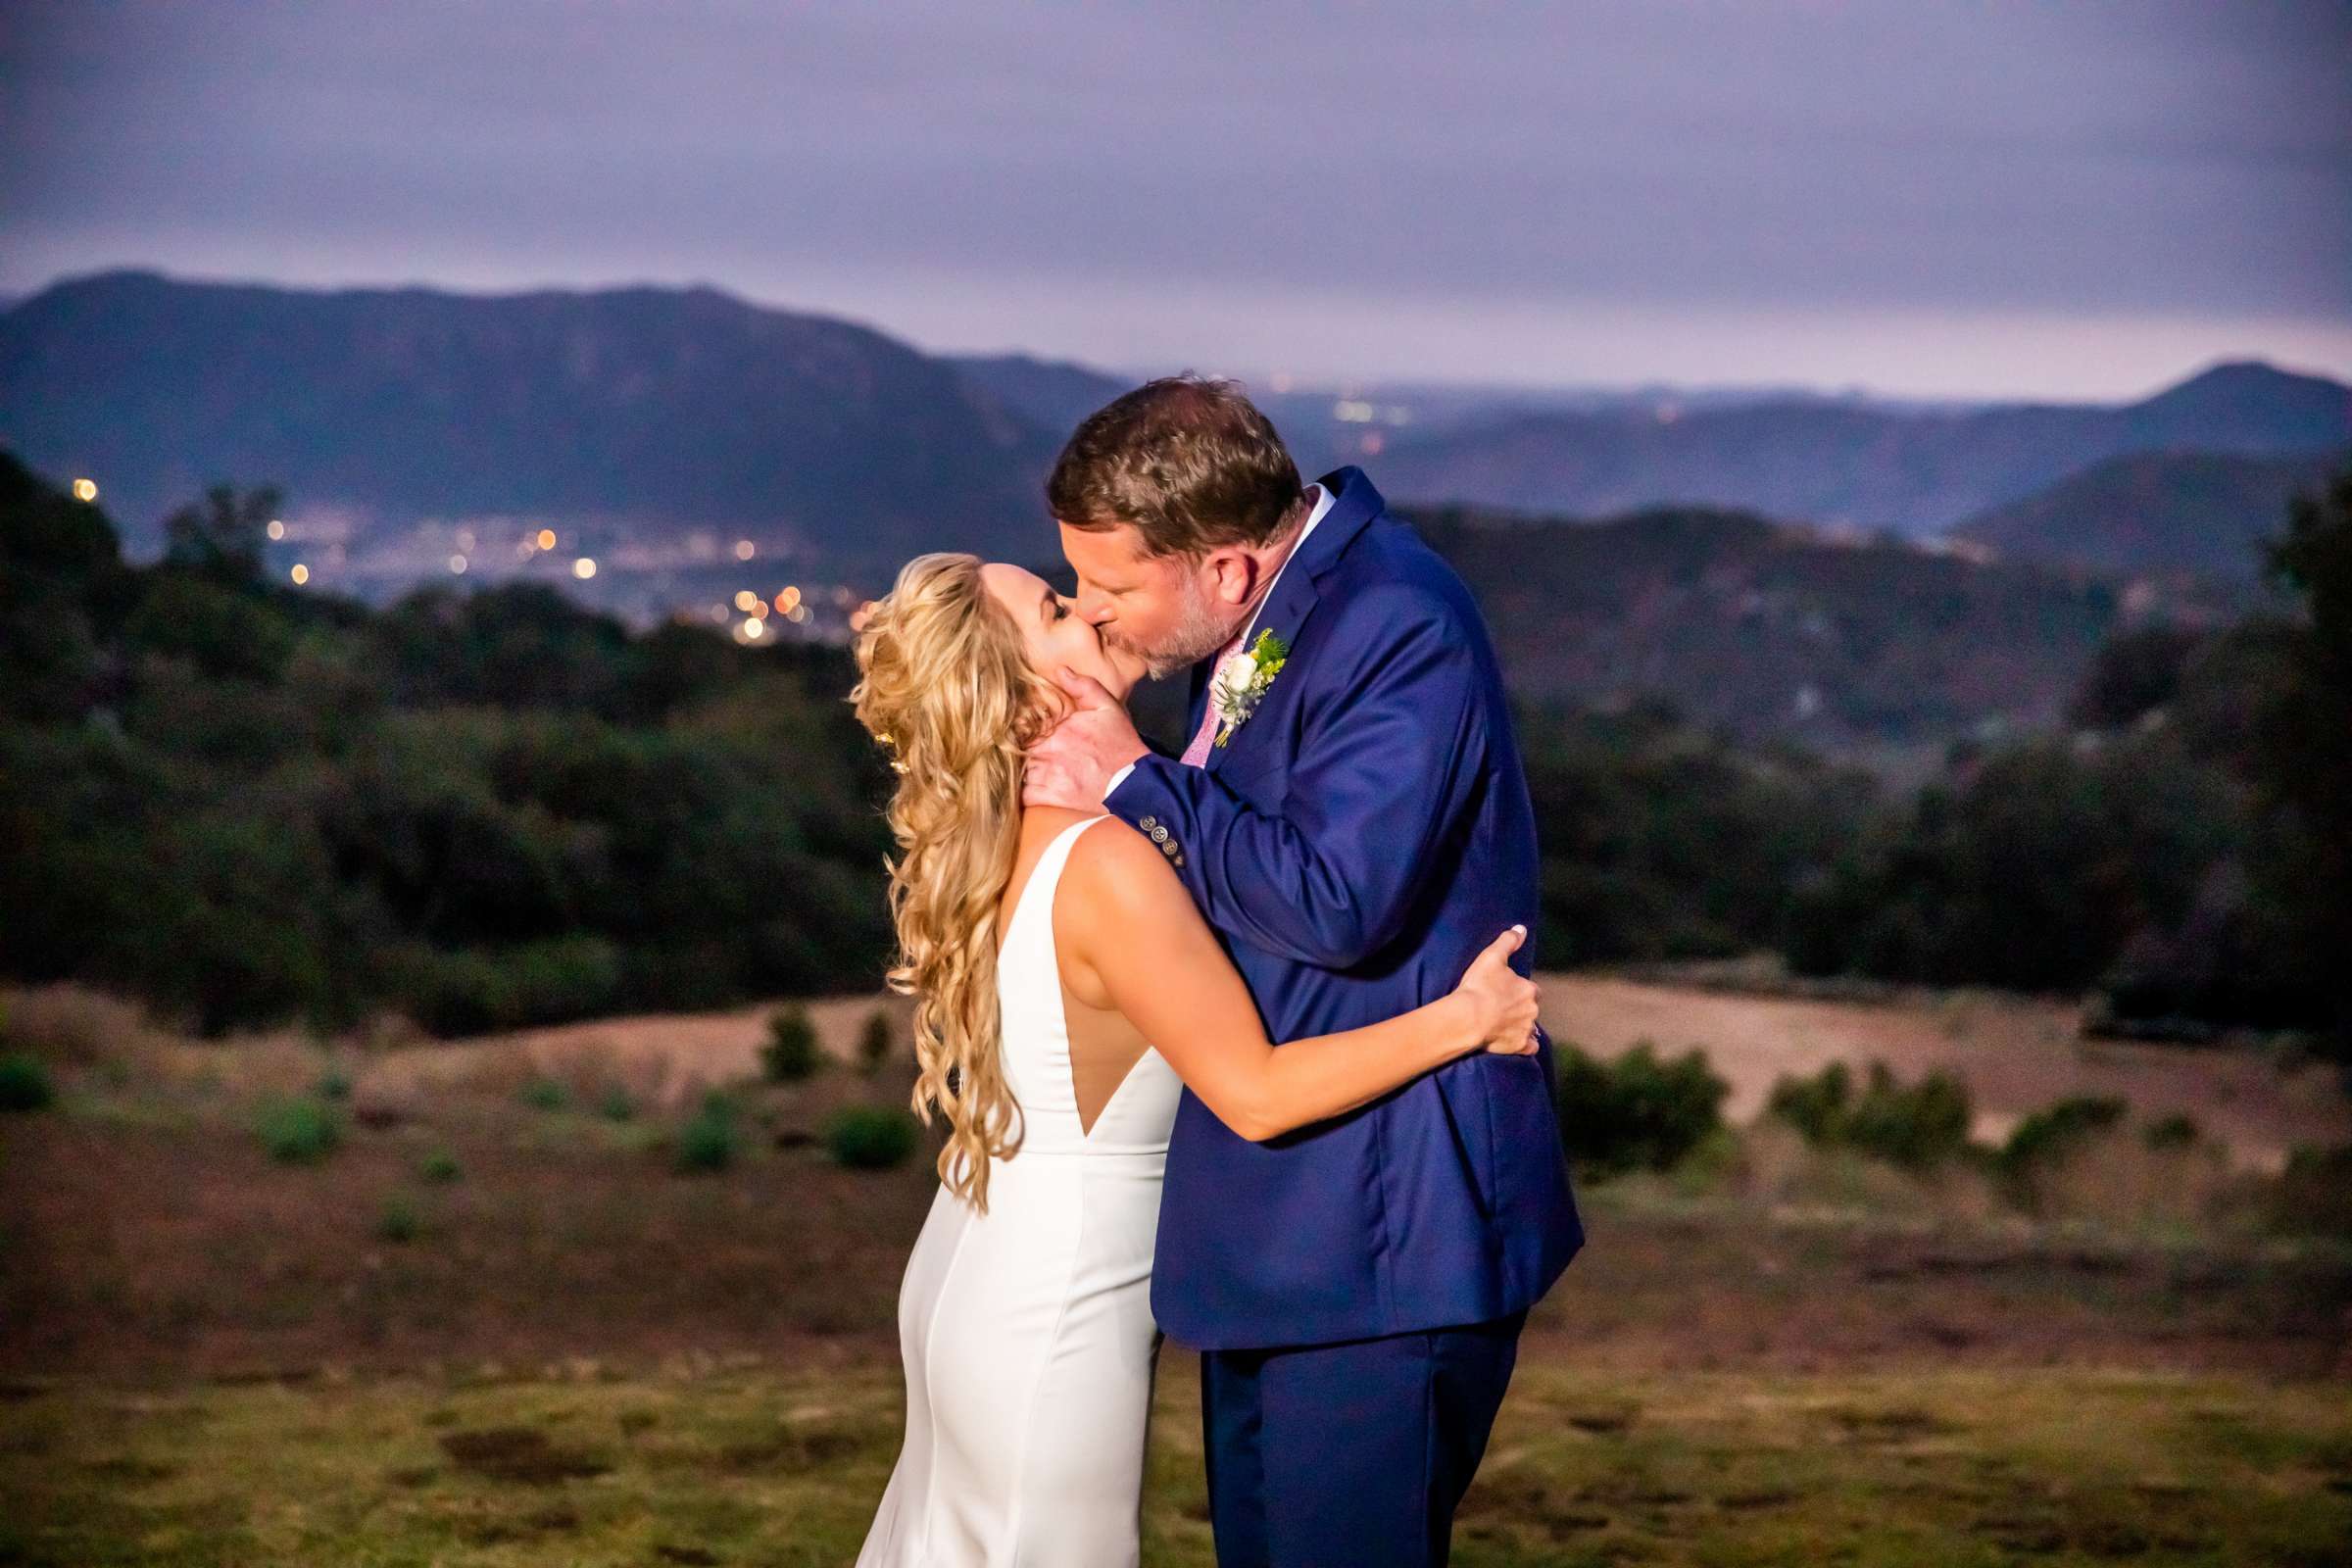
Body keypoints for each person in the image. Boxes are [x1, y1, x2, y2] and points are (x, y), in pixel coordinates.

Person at [848, 549, 1545, 1568]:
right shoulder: (1108, 864)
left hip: (978, 1263)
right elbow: (1255, 1092)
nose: (1085, 607)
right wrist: (1463, 1019)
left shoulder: (1012, 840)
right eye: (1052, 605)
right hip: (1054, 1309)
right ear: (1023, 685)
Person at [1021, 374, 1585, 1566]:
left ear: (1223, 568)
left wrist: (1133, 778)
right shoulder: (1268, 615)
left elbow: (1340, 903)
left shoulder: (1398, 621)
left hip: (1385, 1233)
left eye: (1112, 588)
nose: (1097, 615)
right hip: (1276, 1232)